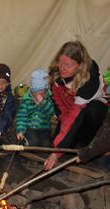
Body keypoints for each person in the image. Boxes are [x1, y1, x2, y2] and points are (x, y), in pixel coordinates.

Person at [44, 41, 108, 170]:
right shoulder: (57, 74)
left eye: (67, 65)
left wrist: (56, 153)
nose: (62, 68)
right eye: (60, 62)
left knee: (93, 109)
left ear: (80, 66)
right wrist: (58, 146)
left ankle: (89, 145)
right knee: (58, 145)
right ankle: (76, 143)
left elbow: (75, 117)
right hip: (72, 117)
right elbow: (59, 105)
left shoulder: (89, 83)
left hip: (92, 121)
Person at [16, 69, 55, 147]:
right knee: (34, 142)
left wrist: (43, 102)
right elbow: (22, 116)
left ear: (46, 90)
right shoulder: (27, 100)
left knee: (47, 144)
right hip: (31, 128)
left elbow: (52, 113)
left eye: (42, 92)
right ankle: (25, 143)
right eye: (37, 92)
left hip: (45, 129)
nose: (40, 95)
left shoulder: (48, 99)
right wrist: (20, 130)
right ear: (32, 91)